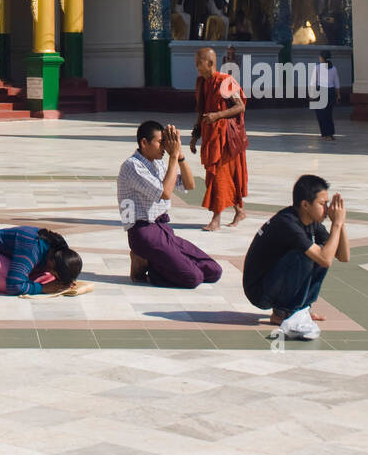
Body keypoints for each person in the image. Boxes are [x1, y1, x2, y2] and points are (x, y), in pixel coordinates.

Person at [242, 174, 349, 340]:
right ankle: (286, 311)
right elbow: (325, 259)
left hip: (273, 283)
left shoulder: (311, 221)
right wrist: (336, 224)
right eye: (323, 204)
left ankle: (301, 308)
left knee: (321, 250)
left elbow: (343, 256)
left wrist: (341, 224)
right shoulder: (288, 223)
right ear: (305, 204)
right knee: (311, 254)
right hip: (259, 291)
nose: (327, 209)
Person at [118, 121, 222, 289]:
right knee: (192, 278)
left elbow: (189, 185)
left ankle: (156, 261)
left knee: (213, 271)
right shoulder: (132, 166)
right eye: (160, 142)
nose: (164, 147)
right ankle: (143, 261)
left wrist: (179, 155)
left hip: (164, 230)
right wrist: (173, 157)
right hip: (142, 232)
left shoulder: (158, 162)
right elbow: (165, 192)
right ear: (144, 143)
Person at [191, 47, 248, 232]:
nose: (197, 66)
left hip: (225, 139)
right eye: (196, 62)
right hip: (211, 137)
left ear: (210, 63)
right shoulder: (201, 82)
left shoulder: (225, 81)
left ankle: (216, 218)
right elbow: (200, 110)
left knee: (219, 178)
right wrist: (195, 135)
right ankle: (240, 210)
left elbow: (240, 107)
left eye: (200, 62)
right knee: (221, 178)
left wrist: (218, 115)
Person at [0, 227, 90, 296]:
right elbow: (15, 286)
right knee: (12, 282)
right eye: (57, 274)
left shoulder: (60, 249)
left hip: (9, 257)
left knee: (45, 278)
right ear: (52, 263)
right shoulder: (32, 248)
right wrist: (42, 289)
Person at [316, 51, 340, 140]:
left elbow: (313, 82)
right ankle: (330, 134)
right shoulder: (333, 68)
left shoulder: (317, 68)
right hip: (331, 92)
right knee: (329, 114)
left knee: (320, 114)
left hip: (320, 91)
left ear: (322, 58)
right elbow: (336, 83)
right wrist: (338, 95)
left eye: (320, 57)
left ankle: (324, 134)